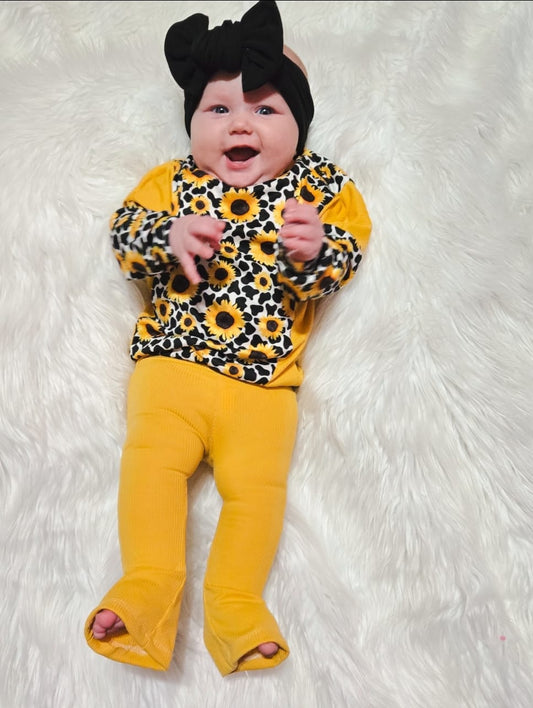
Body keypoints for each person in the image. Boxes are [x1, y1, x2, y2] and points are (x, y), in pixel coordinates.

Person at [84, 0, 371, 676]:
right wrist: (167, 236)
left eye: (265, 109)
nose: (240, 123)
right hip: (172, 368)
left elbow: (347, 255)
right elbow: (124, 236)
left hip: (264, 386)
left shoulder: (321, 186)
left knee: (257, 493)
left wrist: (315, 250)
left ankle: (236, 604)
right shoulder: (173, 181)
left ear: (300, 128)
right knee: (149, 468)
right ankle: (146, 587)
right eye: (217, 109)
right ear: (191, 124)